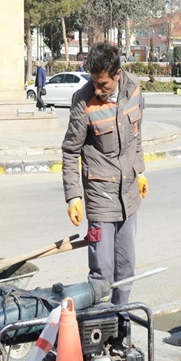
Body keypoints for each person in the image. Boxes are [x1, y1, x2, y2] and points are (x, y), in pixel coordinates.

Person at [61, 42, 147, 306]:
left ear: (117, 74)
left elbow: (137, 136)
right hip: (100, 197)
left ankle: (120, 325)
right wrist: (74, 196)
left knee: (126, 269)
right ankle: (99, 328)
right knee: (102, 273)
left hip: (129, 194)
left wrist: (141, 171)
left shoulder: (134, 88)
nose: (97, 90)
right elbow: (69, 151)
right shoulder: (83, 101)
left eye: (103, 85)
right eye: (94, 83)